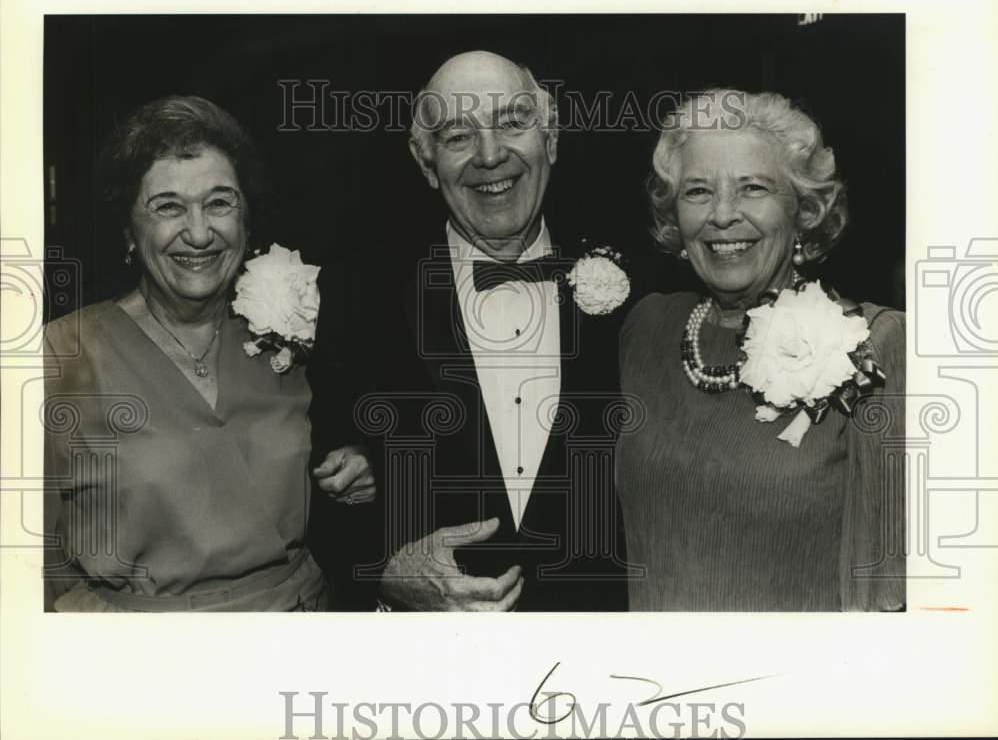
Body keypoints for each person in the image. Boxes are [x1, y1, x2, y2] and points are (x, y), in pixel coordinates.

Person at [316, 50, 633, 611]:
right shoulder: (361, 296)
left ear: (551, 138)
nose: (491, 156)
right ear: (425, 159)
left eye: (513, 123)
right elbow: (317, 493)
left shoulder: (638, 287)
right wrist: (387, 572)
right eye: (459, 136)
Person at [43, 95, 373, 612]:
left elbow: (337, 463)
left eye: (220, 203)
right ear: (129, 231)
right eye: (168, 207)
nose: (199, 233)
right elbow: (28, 563)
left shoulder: (286, 331)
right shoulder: (60, 355)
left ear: (247, 220)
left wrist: (359, 468)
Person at [617, 89, 905, 612]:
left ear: (803, 210)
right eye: (698, 191)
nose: (722, 215)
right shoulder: (647, 329)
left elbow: (886, 594)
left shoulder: (876, 343)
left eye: (753, 188)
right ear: (674, 216)